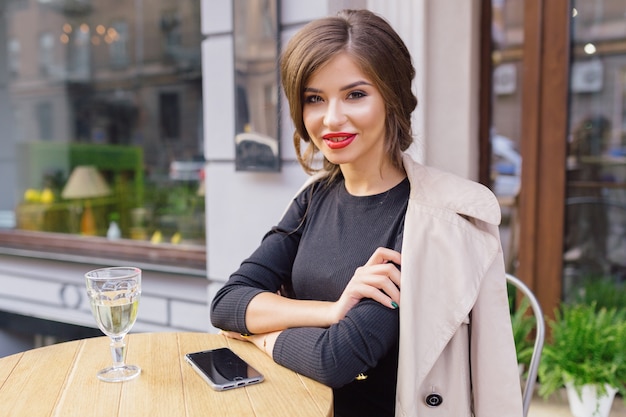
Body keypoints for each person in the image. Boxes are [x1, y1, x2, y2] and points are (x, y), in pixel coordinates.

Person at [211, 9, 523, 417]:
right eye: (314, 98)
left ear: (391, 98)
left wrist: (256, 337)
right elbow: (228, 303)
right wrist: (332, 310)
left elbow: (335, 359)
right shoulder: (313, 198)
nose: (332, 118)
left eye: (355, 94)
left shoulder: (428, 219)